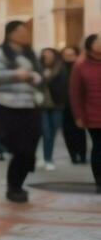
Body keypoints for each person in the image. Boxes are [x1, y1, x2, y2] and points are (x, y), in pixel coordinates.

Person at [0, 21, 43, 203]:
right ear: (10, 33)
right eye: (21, 31)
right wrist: (16, 75)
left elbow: (39, 75)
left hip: (30, 105)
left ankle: (17, 185)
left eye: (27, 31)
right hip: (6, 105)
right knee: (19, 148)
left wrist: (34, 77)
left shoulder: (30, 53)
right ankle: (14, 187)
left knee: (29, 148)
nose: (25, 34)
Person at [69, 33, 101, 192]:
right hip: (93, 115)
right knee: (99, 147)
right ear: (91, 45)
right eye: (99, 41)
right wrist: (79, 116)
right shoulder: (81, 66)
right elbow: (75, 93)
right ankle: (99, 182)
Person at [39, 48, 67, 171]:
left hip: (57, 105)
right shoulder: (38, 69)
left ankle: (48, 157)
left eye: (50, 55)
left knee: (53, 132)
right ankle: (46, 158)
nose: (47, 58)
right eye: (45, 56)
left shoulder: (60, 69)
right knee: (46, 132)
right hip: (42, 105)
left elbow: (64, 86)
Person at [61, 45, 88, 164]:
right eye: (66, 55)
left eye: (71, 55)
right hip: (64, 105)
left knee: (80, 131)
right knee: (67, 131)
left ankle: (82, 154)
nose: (69, 57)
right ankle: (73, 155)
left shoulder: (80, 68)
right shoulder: (60, 69)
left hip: (79, 104)